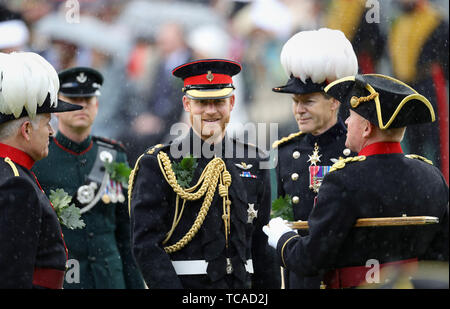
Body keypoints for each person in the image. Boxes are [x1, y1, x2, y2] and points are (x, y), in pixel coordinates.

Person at [263, 73, 449, 289]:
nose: (347, 122)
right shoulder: (431, 176)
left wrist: (284, 239)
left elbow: (310, 259)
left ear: (367, 128)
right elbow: (442, 254)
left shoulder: (343, 180)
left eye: (351, 115)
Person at [129, 59, 280, 289]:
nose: (211, 111)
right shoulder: (159, 163)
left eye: (218, 101)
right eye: (201, 102)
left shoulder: (256, 160)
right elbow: (146, 245)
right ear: (187, 104)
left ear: (231, 102)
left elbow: (261, 244)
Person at [32, 67, 145, 289]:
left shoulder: (114, 156)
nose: (82, 105)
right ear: (56, 108)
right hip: (66, 280)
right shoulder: (40, 159)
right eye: (74, 99)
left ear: (97, 105)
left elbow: (126, 232)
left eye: (88, 99)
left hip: (110, 280)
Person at [270, 28, 358, 288]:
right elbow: (282, 217)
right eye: (296, 101)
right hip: (301, 276)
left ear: (333, 102)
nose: (299, 110)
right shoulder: (285, 151)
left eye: (308, 101)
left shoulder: (355, 147)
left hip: (342, 273)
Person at [0, 51, 82, 288]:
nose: (52, 132)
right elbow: (10, 278)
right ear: (26, 130)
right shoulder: (15, 185)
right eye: (47, 123)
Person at [388, 0, 449, 183]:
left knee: (437, 142)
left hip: (429, 84)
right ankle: (417, 184)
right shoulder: (399, 23)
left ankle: (441, 186)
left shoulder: (437, 21)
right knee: (412, 143)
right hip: (406, 87)